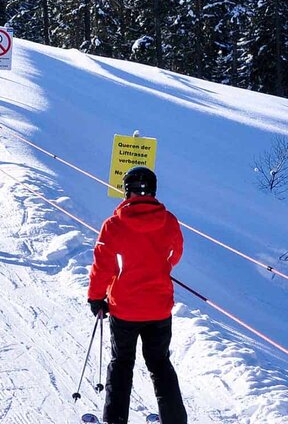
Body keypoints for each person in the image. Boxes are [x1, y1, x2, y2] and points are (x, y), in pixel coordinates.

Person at [87, 167, 187, 424]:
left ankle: (115, 420)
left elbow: (102, 266)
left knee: (122, 363)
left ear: (126, 191)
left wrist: (96, 297)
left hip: (125, 309)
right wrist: (158, 268)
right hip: (159, 308)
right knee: (160, 364)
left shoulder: (114, 225)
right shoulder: (169, 221)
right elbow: (175, 255)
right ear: (153, 190)